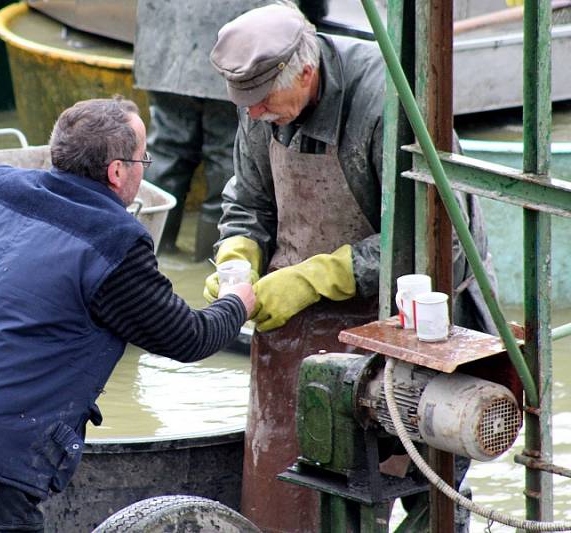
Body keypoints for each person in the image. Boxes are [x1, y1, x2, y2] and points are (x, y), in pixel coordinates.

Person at [0, 97, 255, 533]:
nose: (143, 169)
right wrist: (236, 301)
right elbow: (189, 337)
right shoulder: (117, 241)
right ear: (117, 172)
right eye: (142, 159)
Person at [205, 3, 496, 532]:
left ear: (307, 72)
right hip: (296, 326)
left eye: (263, 103)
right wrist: (238, 254)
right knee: (289, 495)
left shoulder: (391, 103)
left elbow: (437, 245)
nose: (252, 115)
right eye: (244, 105)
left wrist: (313, 277)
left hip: (401, 322)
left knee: (422, 482)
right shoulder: (262, 105)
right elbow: (247, 200)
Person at [133, 0, 275, 260]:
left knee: (166, 148)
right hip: (239, 36)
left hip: (167, 36)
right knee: (226, 152)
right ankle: (215, 262)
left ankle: (145, 256)